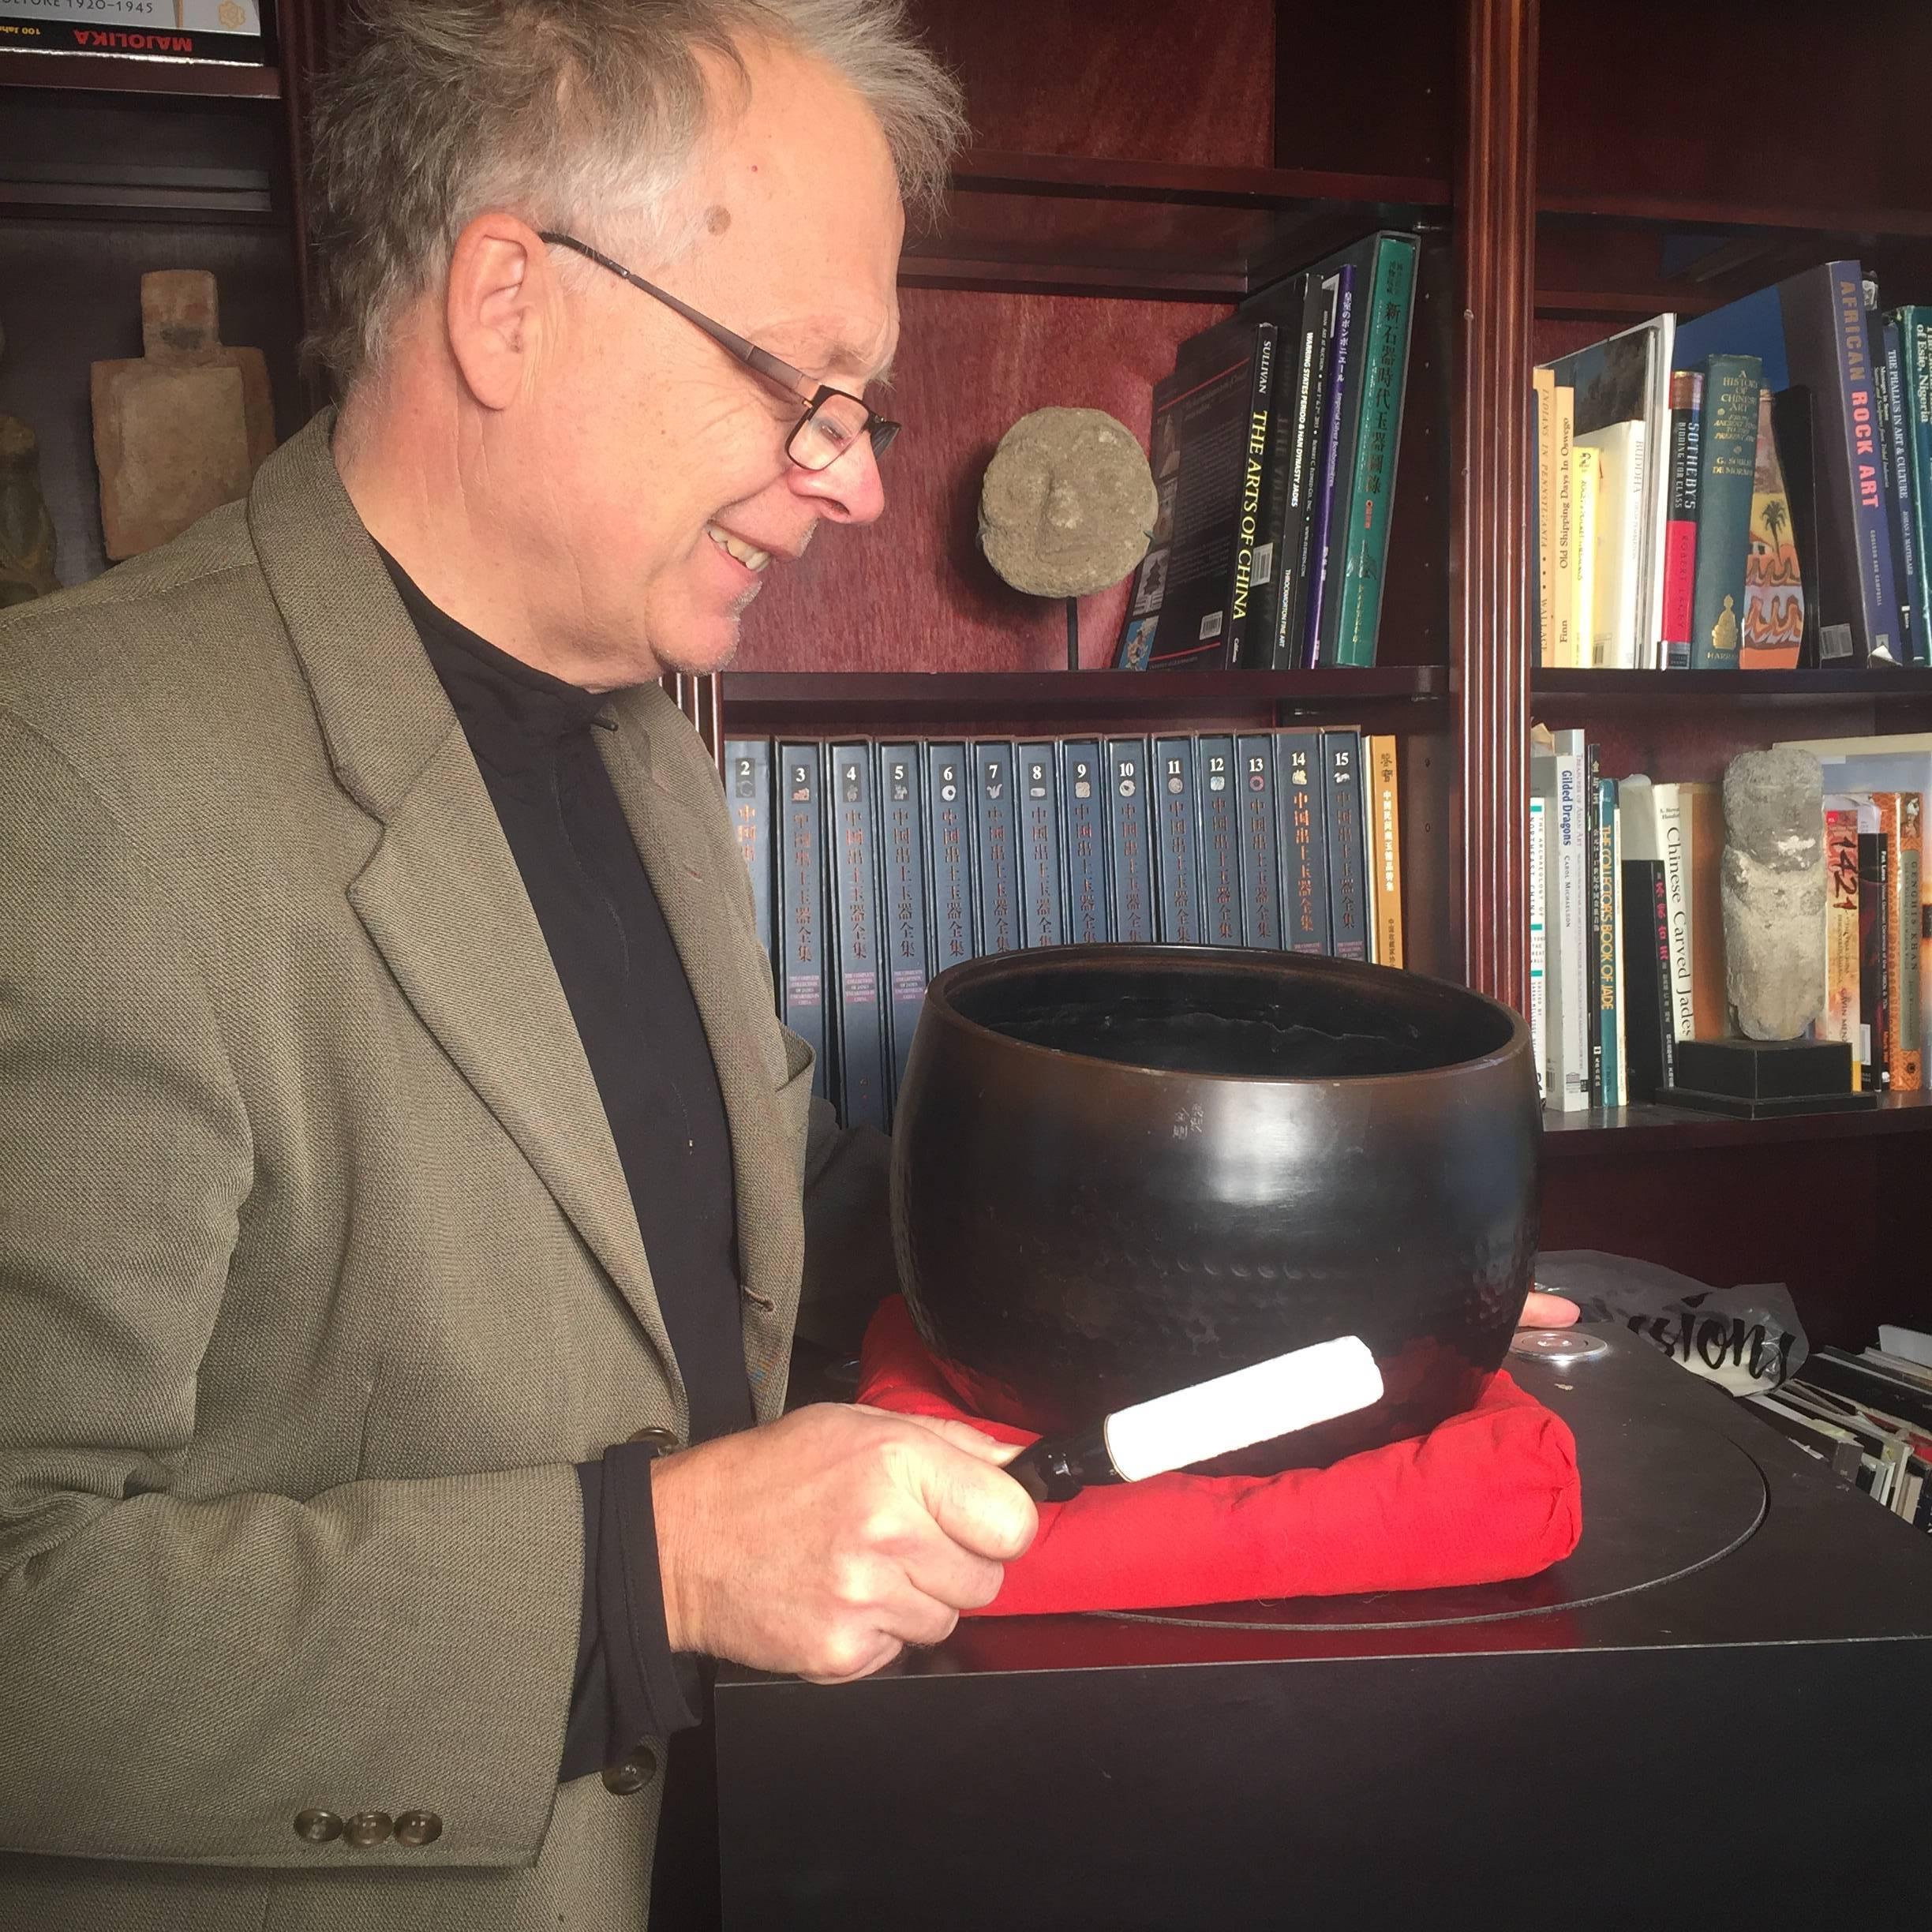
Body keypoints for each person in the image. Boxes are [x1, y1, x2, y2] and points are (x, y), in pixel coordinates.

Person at [0, 5, 1575, 1926]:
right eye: (798, 386)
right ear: (509, 302)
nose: (851, 484)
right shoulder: (67, 779)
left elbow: (723, 1226)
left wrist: (1350, 1299)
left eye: (865, 407)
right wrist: (642, 1575)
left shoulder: (641, 734)